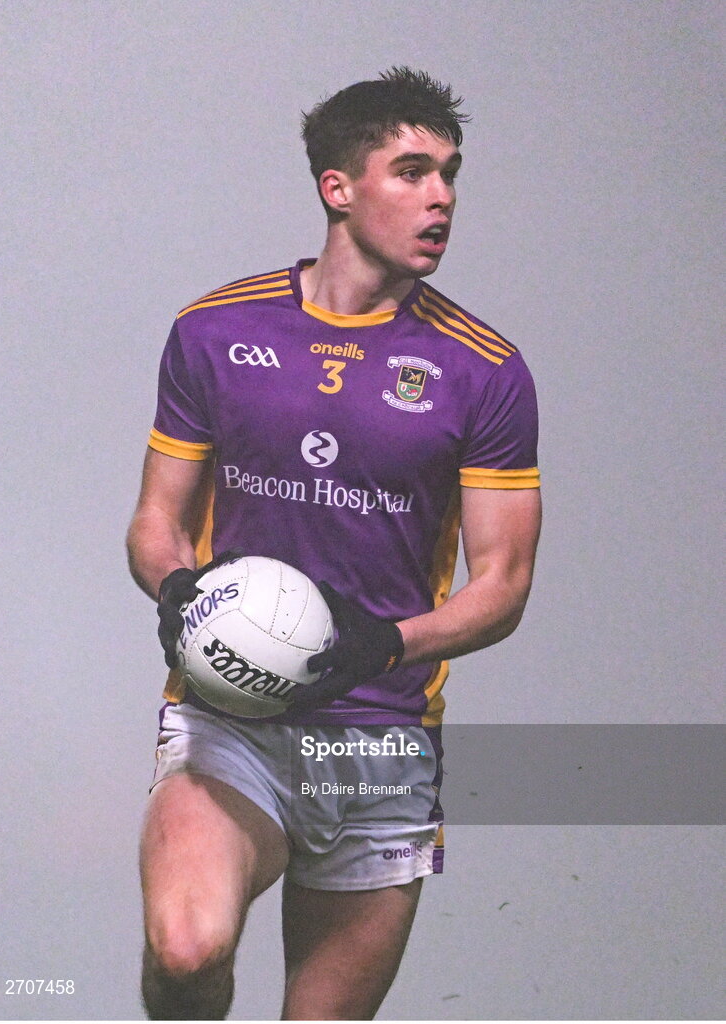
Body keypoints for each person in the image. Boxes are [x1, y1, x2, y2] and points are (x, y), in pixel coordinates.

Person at [126, 66, 541, 1020]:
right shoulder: (216, 331)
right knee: (185, 954)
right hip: (233, 720)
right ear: (338, 189)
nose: (440, 197)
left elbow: (505, 582)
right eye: (410, 171)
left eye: (449, 174)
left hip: (381, 748)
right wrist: (177, 592)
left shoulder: (482, 371)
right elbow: (156, 520)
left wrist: (383, 643)